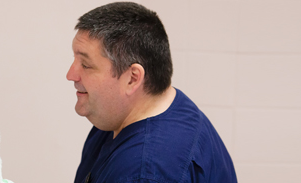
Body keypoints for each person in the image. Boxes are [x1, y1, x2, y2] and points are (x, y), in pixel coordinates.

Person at [67, 2, 237, 183]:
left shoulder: (145, 173)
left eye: (86, 65)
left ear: (132, 78)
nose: (71, 75)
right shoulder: (119, 116)